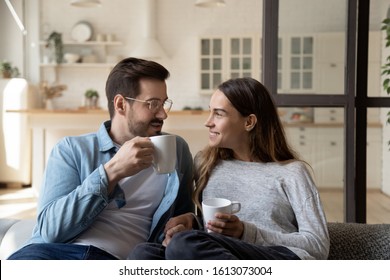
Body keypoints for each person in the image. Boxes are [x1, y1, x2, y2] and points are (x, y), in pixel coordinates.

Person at [8, 57, 194, 260]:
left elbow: (184, 217)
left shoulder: (177, 150)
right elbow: (50, 231)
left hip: (115, 263)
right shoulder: (71, 149)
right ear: (121, 104)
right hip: (52, 255)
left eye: (164, 103)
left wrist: (186, 223)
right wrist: (111, 172)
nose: (163, 114)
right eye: (152, 104)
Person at [129, 77, 330, 260]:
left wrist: (245, 232)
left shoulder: (292, 172)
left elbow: (318, 245)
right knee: (143, 253)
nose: (208, 123)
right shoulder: (207, 164)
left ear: (249, 122)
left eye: (219, 114)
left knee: (184, 245)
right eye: (210, 112)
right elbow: (213, 237)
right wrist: (193, 222)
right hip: (225, 255)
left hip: (279, 257)